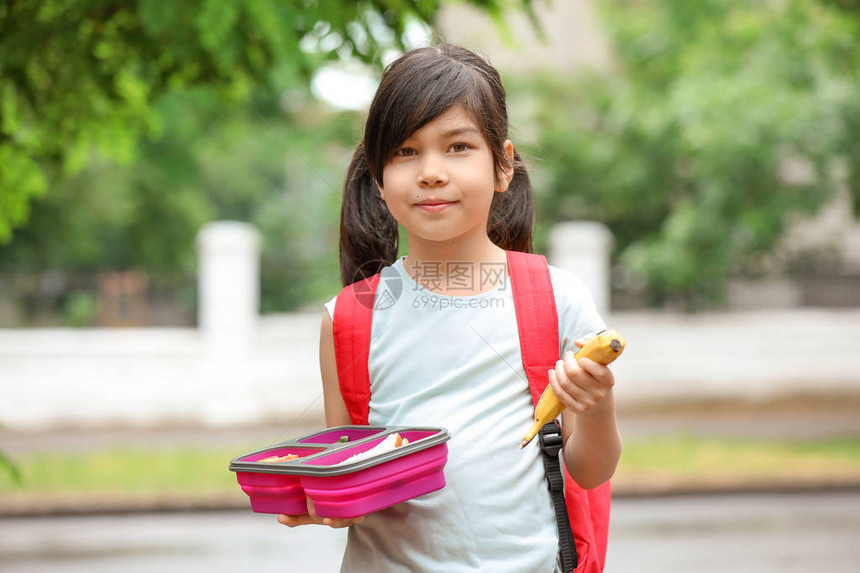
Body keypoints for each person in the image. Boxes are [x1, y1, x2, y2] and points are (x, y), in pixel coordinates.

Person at [278, 43, 622, 572]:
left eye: (457, 147)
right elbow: (350, 484)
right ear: (378, 176)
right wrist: (322, 500)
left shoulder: (556, 298)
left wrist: (595, 405)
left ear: (503, 165)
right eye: (405, 151)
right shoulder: (349, 317)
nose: (431, 172)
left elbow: (591, 472)